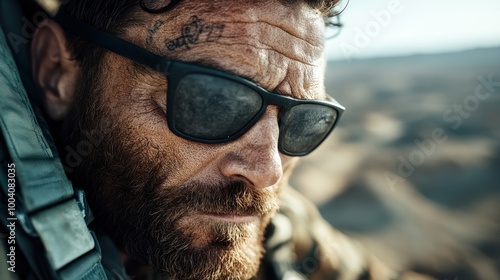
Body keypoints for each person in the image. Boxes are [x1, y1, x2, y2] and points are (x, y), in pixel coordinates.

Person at [0, 0, 431, 279]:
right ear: (58, 72)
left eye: (304, 121)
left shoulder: (273, 223)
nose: (267, 172)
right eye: (214, 101)